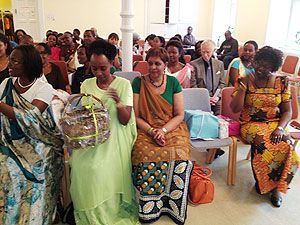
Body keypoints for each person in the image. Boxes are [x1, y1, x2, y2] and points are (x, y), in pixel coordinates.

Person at [69, 39, 139, 224]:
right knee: (80, 166)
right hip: (93, 136)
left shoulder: (123, 85)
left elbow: (125, 120)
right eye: (94, 69)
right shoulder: (86, 85)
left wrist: (117, 102)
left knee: (100, 167)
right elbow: (85, 117)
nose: (99, 73)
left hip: (116, 135)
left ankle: (111, 210)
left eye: (103, 68)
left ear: (112, 63)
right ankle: (90, 210)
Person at [0, 45, 64, 224]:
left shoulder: (44, 88)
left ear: (27, 64)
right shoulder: (6, 84)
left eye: (15, 61)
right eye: (10, 59)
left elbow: (30, 118)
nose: (9, 64)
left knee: (12, 172)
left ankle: (31, 219)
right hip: (9, 139)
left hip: (39, 142)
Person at [230, 46, 299, 207]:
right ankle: (263, 183)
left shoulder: (282, 82)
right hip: (251, 124)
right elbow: (235, 108)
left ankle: (277, 189)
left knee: (287, 147)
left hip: (275, 124)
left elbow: (287, 111)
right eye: (259, 63)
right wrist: (243, 87)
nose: (260, 68)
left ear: (273, 67)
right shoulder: (244, 79)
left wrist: (280, 128)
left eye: (266, 66)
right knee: (265, 145)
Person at [131, 47, 192, 224]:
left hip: (171, 128)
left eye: (157, 63)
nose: (153, 67)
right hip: (145, 128)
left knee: (181, 155)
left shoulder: (173, 83)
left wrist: (163, 130)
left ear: (165, 64)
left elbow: (179, 114)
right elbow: (136, 116)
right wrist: (152, 131)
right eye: (150, 63)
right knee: (143, 154)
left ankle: (171, 205)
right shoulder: (138, 82)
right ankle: (150, 206)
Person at [190, 40, 225, 115]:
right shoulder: (194, 64)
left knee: (220, 113)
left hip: (216, 97)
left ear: (213, 51)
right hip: (200, 97)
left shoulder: (219, 64)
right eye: (203, 52)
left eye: (208, 52)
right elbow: (193, 85)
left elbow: (222, 84)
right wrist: (206, 98)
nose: (205, 55)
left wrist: (217, 97)